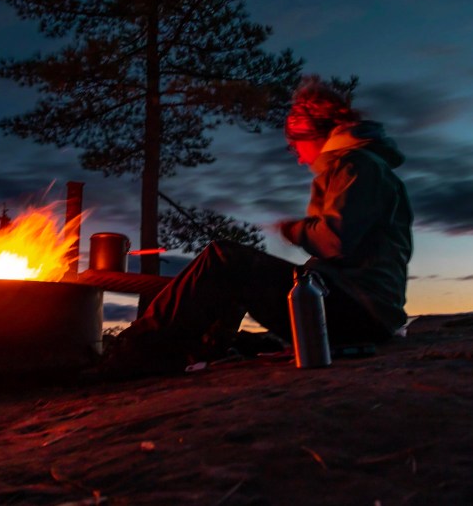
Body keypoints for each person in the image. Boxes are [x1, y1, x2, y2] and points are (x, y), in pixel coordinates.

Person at [97, 75, 414, 378]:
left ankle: (131, 355)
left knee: (224, 260)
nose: (300, 159)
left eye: (295, 146)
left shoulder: (356, 165)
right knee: (236, 275)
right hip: (356, 308)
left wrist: (295, 230)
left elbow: (335, 240)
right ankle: (194, 351)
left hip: (358, 312)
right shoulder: (360, 167)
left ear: (312, 133)